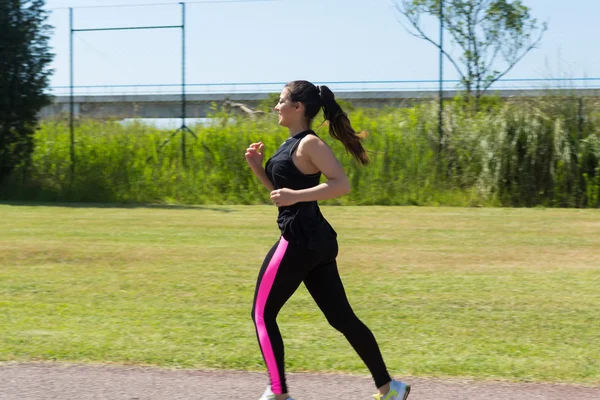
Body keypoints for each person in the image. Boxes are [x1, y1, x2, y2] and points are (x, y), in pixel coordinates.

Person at [245, 80, 411, 400]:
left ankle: (278, 393)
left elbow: (340, 184)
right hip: (314, 242)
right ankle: (390, 389)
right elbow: (283, 197)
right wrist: (257, 169)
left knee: (262, 314)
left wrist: (295, 195)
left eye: (282, 101)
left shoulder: (310, 144)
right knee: (341, 318)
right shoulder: (290, 143)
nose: (276, 107)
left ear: (298, 108)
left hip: (299, 239)